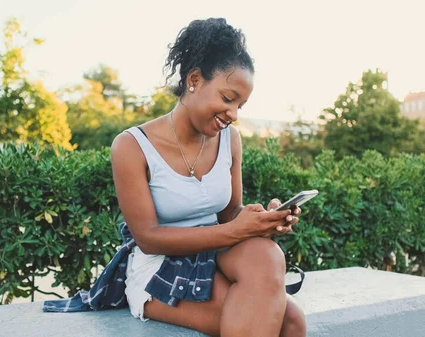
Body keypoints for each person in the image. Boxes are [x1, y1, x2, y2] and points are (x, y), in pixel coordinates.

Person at [109, 17, 306, 337]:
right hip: (160, 265)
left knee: (269, 256)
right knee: (288, 322)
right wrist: (234, 229)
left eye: (241, 105)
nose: (234, 114)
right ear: (195, 80)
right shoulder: (132, 146)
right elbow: (148, 237)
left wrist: (263, 219)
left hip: (213, 253)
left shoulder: (231, 140)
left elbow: (230, 213)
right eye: (228, 99)